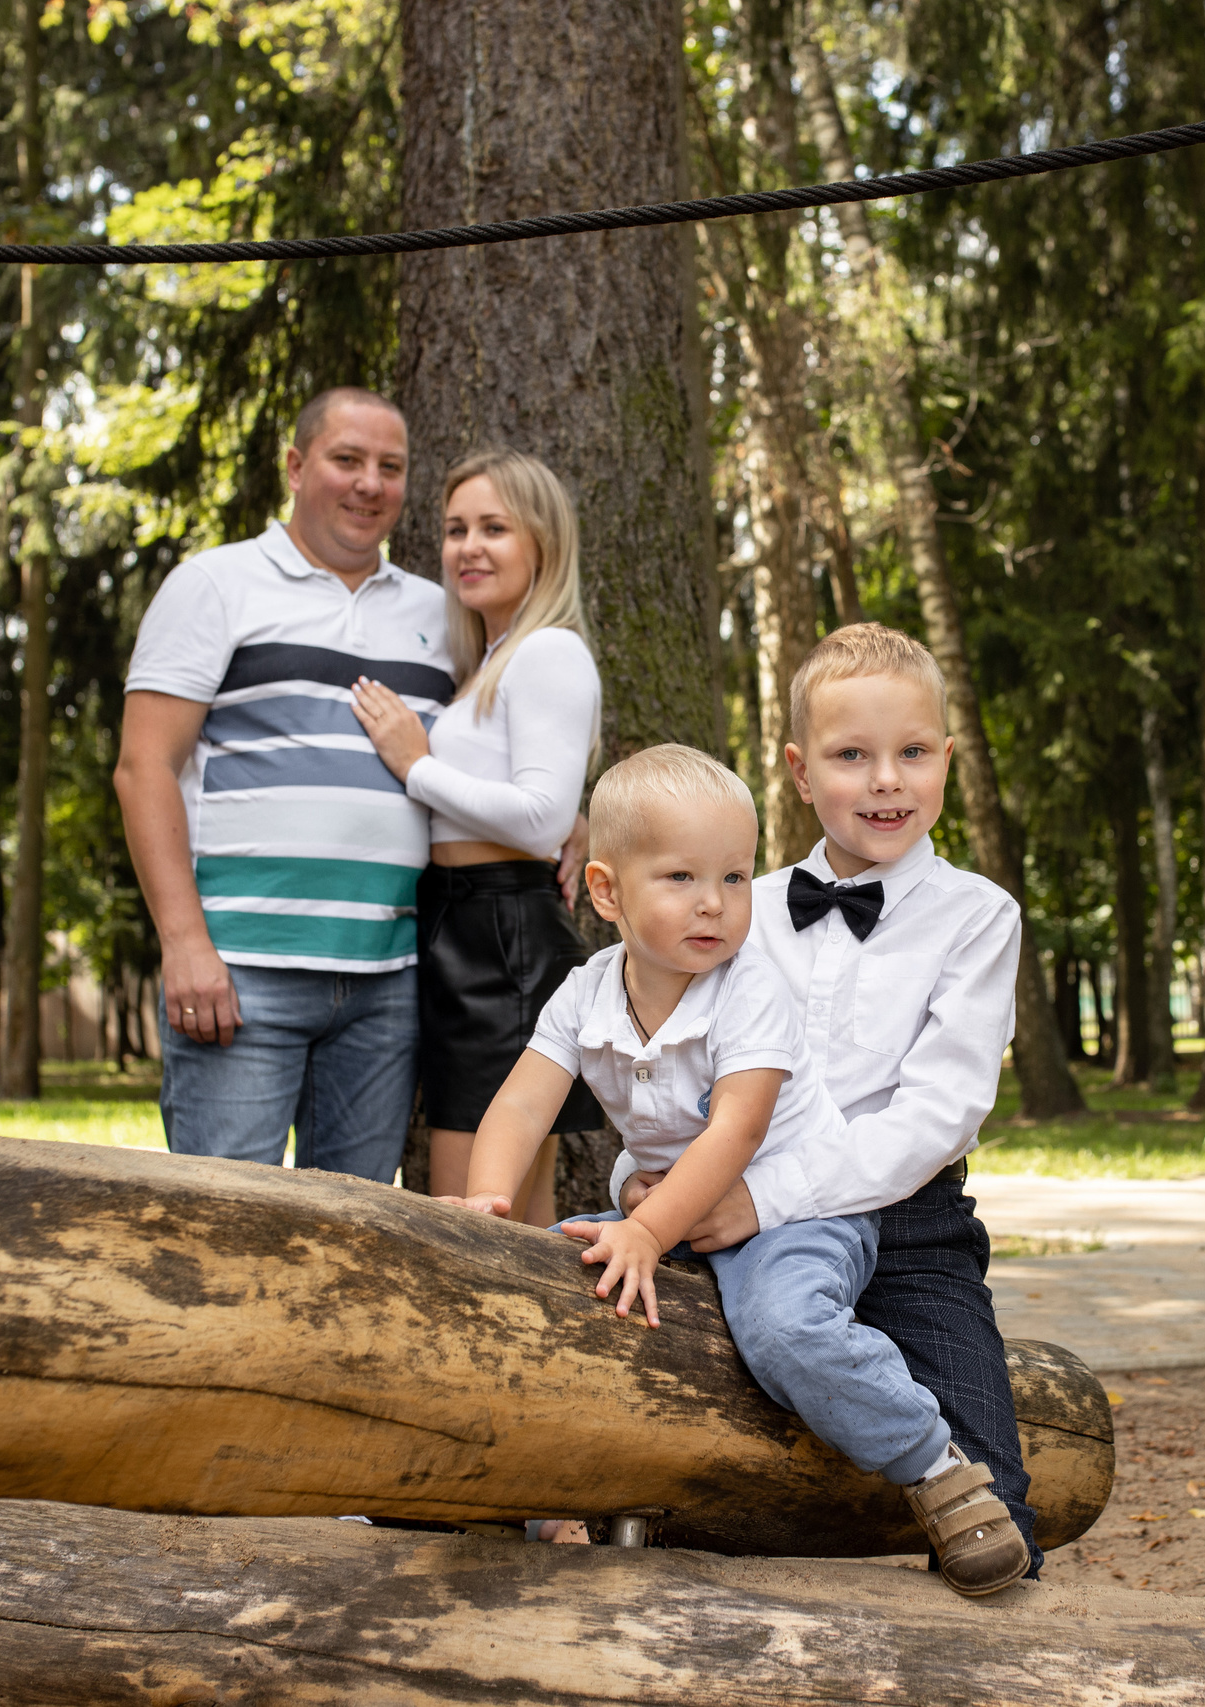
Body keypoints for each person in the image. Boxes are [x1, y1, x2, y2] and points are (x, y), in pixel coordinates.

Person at [454, 743, 1032, 1598]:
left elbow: (736, 1131)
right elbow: (520, 1104)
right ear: (607, 891)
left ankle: (934, 1463)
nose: (716, 904)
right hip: (679, 1212)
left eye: (733, 878)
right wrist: (485, 1201)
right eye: (682, 878)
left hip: (799, 1213)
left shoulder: (750, 984)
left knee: (785, 1328)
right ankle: (541, 1494)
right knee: (538, 1283)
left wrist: (650, 1228)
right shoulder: (584, 993)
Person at [615, 623, 1046, 1579]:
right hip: (729, 1207)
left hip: (908, 1225)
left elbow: (939, 1114)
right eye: (853, 756)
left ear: (947, 759)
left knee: (997, 1497)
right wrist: (649, 1180)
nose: (886, 779)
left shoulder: (980, 917)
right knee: (631, 1352)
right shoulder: (739, 906)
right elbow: (668, 1065)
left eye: (912, 753)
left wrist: (762, 1200)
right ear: (803, 774)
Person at [113, 387, 447, 1180]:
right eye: (347, 460)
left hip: (386, 983)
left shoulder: (440, 614)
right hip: (238, 973)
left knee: (353, 1235)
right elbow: (142, 768)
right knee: (223, 1228)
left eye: (390, 467)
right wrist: (185, 943)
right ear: (297, 467)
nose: (369, 483)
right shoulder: (215, 585)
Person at [347, 449, 604, 1228]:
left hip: (503, 942)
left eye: (495, 527)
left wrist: (415, 764)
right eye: (457, 529)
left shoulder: (548, 650)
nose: (469, 547)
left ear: (542, 544)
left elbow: (542, 816)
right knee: (504, 1220)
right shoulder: (491, 656)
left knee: (470, 1221)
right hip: (464, 923)